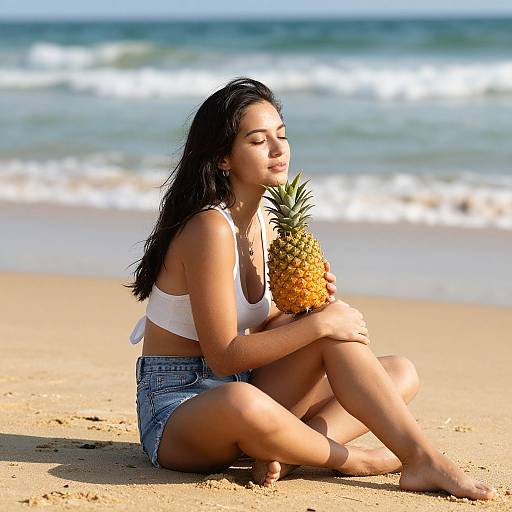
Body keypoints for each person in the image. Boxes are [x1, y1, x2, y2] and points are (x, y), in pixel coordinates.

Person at [126, 77, 496, 500]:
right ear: (223, 158)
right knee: (245, 400)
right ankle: (359, 458)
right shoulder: (209, 228)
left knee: (398, 372)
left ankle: (290, 453)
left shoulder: (265, 222)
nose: (279, 149)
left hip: (243, 384)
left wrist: (308, 309)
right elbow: (223, 353)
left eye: (281, 136)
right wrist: (317, 327)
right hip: (179, 408)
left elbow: (265, 329)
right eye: (258, 140)